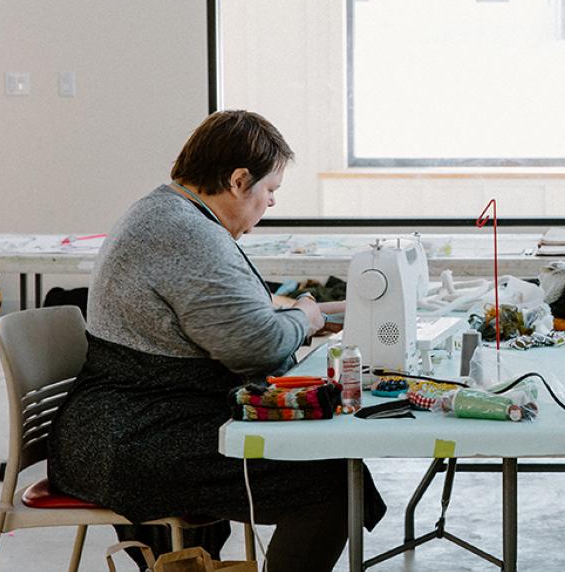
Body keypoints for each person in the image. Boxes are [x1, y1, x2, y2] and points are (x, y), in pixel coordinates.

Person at [51, 110, 385, 571]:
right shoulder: (184, 233)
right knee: (331, 482)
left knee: (328, 463)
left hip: (135, 420)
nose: (270, 204)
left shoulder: (171, 212)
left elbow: (235, 314)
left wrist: (311, 312)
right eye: (269, 191)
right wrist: (305, 319)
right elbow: (256, 348)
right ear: (238, 180)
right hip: (137, 438)